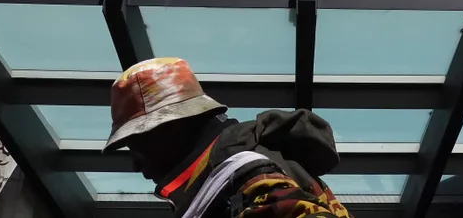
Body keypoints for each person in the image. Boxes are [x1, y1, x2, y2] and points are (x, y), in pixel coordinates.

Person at [105, 57, 355, 218]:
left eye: (137, 147)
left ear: (171, 131)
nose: (136, 165)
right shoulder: (245, 165)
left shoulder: (247, 175)